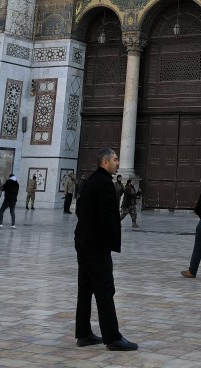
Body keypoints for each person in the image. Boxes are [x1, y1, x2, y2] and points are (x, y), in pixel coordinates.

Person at [73, 147, 137, 352]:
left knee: (85, 288)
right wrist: (110, 242)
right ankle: (113, 337)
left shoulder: (91, 181)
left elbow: (80, 209)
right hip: (96, 245)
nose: (118, 163)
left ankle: (83, 333)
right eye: (116, 160)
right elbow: (109, 217)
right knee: (105, 289)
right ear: (105, 162)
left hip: (83, 240)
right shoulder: (105, 184)